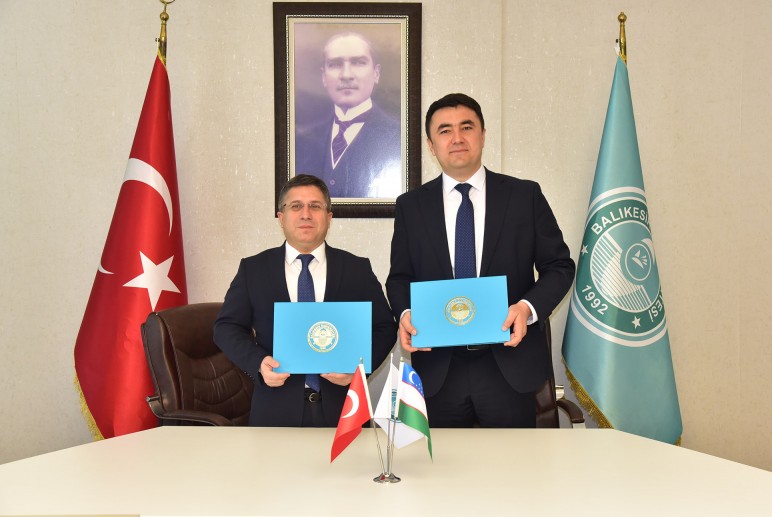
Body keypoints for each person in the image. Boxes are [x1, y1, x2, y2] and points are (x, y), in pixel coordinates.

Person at [385, 93, 575, 428]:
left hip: (509, 364)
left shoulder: (524, 196)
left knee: (509, 461)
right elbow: (399, 277)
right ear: (431, 145)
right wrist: (406, 313)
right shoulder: (411, 206)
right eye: (445, 130)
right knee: (442, 461)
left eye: (467, 127)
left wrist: (527, 308)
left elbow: (559, 266)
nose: (457, 138)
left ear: (483, 135)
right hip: (439, 367)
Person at [214, 174, 397, 427]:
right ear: (281, 217)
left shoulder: (356, 269)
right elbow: (226, 328)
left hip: (344, 410)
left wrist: (358, 367)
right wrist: (258, 363)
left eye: (315, 206)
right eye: (296, 206)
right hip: (275, 410)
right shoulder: (253, 269)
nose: (306, 214)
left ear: (329, 217)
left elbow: (385, 327)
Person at [295, 31, 402, 199]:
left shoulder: (399, 137)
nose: (346, 75)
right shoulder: (302, 141)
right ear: (324, 77)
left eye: (358, 63)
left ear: (376, 73)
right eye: (335, 64)